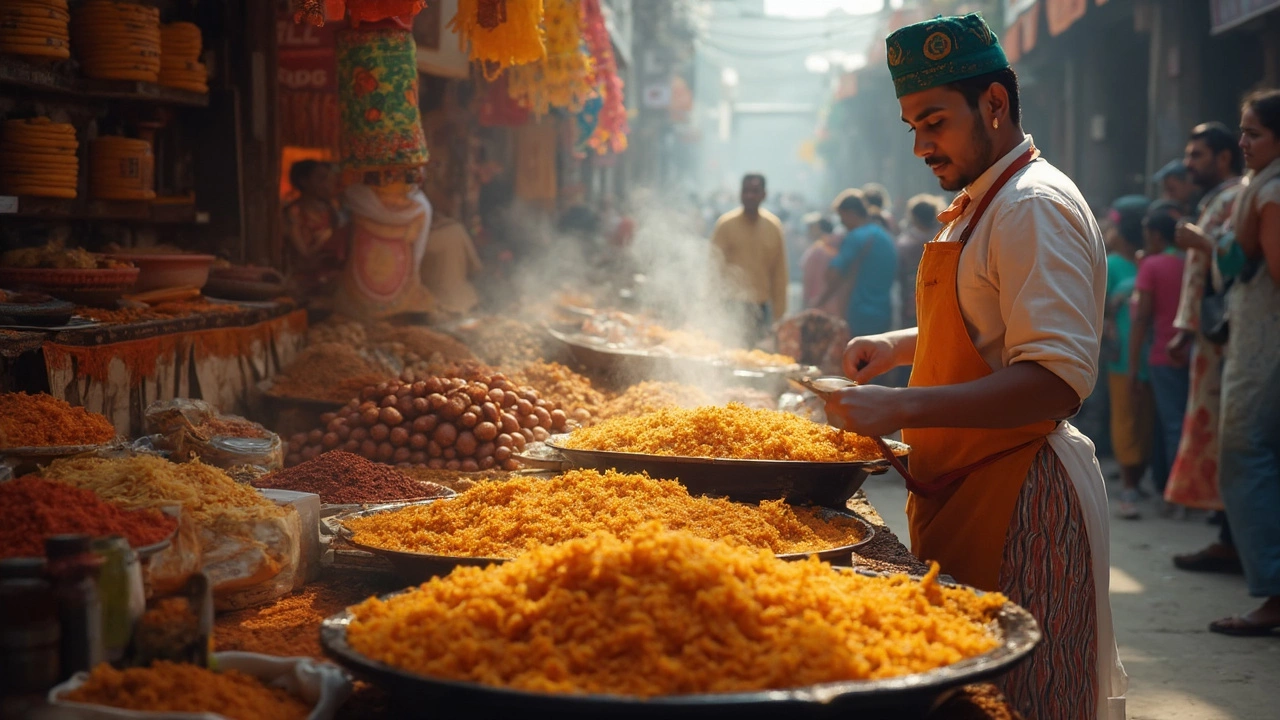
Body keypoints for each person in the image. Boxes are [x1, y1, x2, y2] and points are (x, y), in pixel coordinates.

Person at [823, 15, 1125, 719]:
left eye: (935, 121)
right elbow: (986, 319)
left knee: (1024, 700)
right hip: (965, 484)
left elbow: (1053, 380)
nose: (922, 145)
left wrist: (900, 407)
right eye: (912, 127)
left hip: (1023, 497)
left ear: (994, 104)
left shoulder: (1031, 206)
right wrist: (900, 347)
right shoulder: (979, 202)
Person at [1210, 88, 1280, 636]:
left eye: (1254, 132)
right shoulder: (1261, 186)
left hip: (1265, 346)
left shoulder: (1271, 191)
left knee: (1245, 454)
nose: (1243, 143)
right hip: (1258, 339)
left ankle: (1273, 594)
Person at [1165, 122, 1247, 570]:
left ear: (1222, 157)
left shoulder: (1241, 196)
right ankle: (1228, 535)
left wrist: (1201, 241)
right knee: (1215, 436)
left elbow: (1246, 259)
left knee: (1232, 438)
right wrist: (1185, 328)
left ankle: (1235, 540)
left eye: (1198, 155)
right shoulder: (1219, 199)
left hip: (1233, 337)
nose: (1190, 163)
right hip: (1210, 337)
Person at [1129, 205, 1188, 502]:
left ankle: (1178, 494)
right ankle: (1170, 485)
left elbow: (1141, 318)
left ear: (1154, 234)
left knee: (1171, 423)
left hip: (1163, 354)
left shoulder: (1151, 266)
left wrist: (1132, 364)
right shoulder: (1189, 261)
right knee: (1181, 421)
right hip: (1192, 352)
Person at [1105, 196, 1154, 519]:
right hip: (1123, 355)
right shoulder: (1110, 265)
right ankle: (1128, 484)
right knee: (1125, 417)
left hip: (1154, 353)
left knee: (1147, 420)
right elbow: (1100, 308)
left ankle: (1137, 474)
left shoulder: (1149, 262)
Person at [710, 173, 789, 344]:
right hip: (729, 305)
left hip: (759, 308)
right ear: (740, 193)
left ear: (764, 195)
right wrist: (710, 306)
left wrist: (780, 316)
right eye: (746, 191)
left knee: (751, 358)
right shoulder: (726, 225)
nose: (749, 196)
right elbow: (713, 268)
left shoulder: (773, 227)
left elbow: (779, 274)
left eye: (755, 191)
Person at [824, 189, 897, 339]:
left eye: (841, 217)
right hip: (884, 314)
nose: (842, 223)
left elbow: (833, 274)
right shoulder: (886, 237)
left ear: (851, 213)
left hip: (858, 316)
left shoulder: (856, 237)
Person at [282, 160, 348, 302]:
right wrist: (325, 238)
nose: (327, 185)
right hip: (304, 279)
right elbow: (303, 253)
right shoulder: (295, 212)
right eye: (321, 179)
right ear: (304, 181)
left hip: (329, 276)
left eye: (329, 180)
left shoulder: (331, 211)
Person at [420, 204, 483, 316]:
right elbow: (476, 267)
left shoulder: (420, 237)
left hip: (436, 309)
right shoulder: (457, 229)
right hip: (466, 304)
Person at [896, 194, 944, 329]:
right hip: (941, 298)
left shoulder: (905, 243)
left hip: (912, 301)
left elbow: (899, 272)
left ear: (914, 217)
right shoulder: (944, 237)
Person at [798, 213, 843, 315]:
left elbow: (808, 281)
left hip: (816, 305)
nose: (808, 231)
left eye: (811, 227)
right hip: (835, 306)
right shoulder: (838, 247)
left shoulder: (816, 251)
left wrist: (804, 306)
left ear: (819, 229)